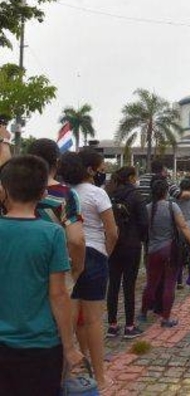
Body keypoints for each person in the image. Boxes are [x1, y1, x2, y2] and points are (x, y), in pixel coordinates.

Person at [0, 155, 83, 395]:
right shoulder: (52, 234)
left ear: (4, 189)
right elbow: (58, 295)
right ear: (43, 193)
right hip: (41, 345)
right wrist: (69, 347)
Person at [60, 149, 118, 390]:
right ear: (91, 169)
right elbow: (112, 231)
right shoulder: (97, 194)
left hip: (68, 255)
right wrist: (106, 252)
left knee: (69, 321)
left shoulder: (64, 193)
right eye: (101, 166)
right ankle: (101, 377)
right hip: (94, 253)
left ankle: (65, 376)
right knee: (93, 321)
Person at [140, 179, 190, 327]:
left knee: (151, 284)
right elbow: (184, 227)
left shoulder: (147, 208)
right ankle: (166, 318)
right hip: (170, 250)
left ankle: (143, 313)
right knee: (169, 284)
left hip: (152, 250)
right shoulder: (172, 207)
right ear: (166, 191)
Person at [28, 138, 86, 283]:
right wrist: (77, 270)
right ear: (58, 162)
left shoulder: (11, 192)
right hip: (55, 272)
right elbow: (76, 240)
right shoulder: (66, 195)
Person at [105, 166, 149, 339]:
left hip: (113, 243)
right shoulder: (136, 196)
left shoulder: (110, 195)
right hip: (131, 245)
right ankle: (130, 326)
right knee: (129, 285)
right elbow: (144, 222)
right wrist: (141, 237)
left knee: (113, 285)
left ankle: (112, 325)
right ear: (131, 177)